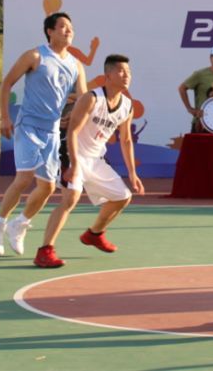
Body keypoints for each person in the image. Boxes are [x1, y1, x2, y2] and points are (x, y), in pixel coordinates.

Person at [0, 12, 87, 257]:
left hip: (52, 130)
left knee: (48, 187)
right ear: (50, 31)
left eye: (71, 27)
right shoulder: (35, 56)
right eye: (62, 26)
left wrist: (73, 109)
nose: (68, 31)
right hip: (28, 126)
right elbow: (7, 83)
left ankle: (19, 224)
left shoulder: (76, 65)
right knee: (24, 179)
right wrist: (4, 117)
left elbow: (84, 98)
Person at [34, 54, 144, 268]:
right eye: (121, 71)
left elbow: (126, 140)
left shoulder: (127, 106)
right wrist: (74, 165)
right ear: (108, 75)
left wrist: (132, 173)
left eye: (129, 72)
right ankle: (45, 251)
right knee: (70, 199)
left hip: (95, 159)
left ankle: (94, 234)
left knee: (123, 197)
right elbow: (72, 132)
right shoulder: (92, 98)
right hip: (72, 153)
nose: (126, 76)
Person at [178, 47, 213, 133]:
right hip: (201, 121)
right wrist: (190, 109)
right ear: (210, 58)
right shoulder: (200, 74)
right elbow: (182, 88)